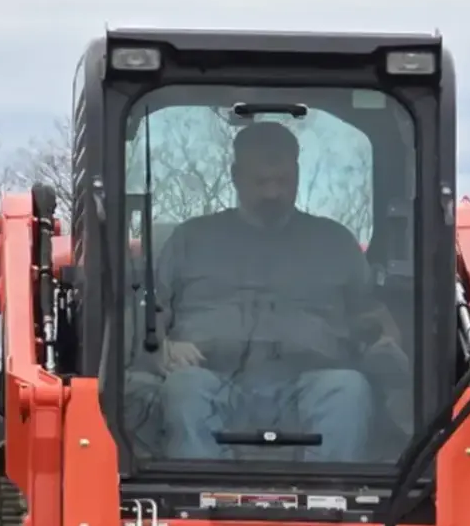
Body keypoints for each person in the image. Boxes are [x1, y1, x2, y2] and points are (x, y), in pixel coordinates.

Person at [150, 118, 408, 463]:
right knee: (184, 390)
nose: (272, 192)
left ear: (298, 176)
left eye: (283, 181)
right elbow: (150, 314)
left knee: (348, 390)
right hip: (212, 379)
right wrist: (164, 345)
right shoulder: (190, 240)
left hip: (309, 382)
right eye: (261, 181)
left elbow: (372, 317)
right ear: (234, 176)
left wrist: (386, 343)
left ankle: (330, 499)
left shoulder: (334, 244)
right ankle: (203, 500)